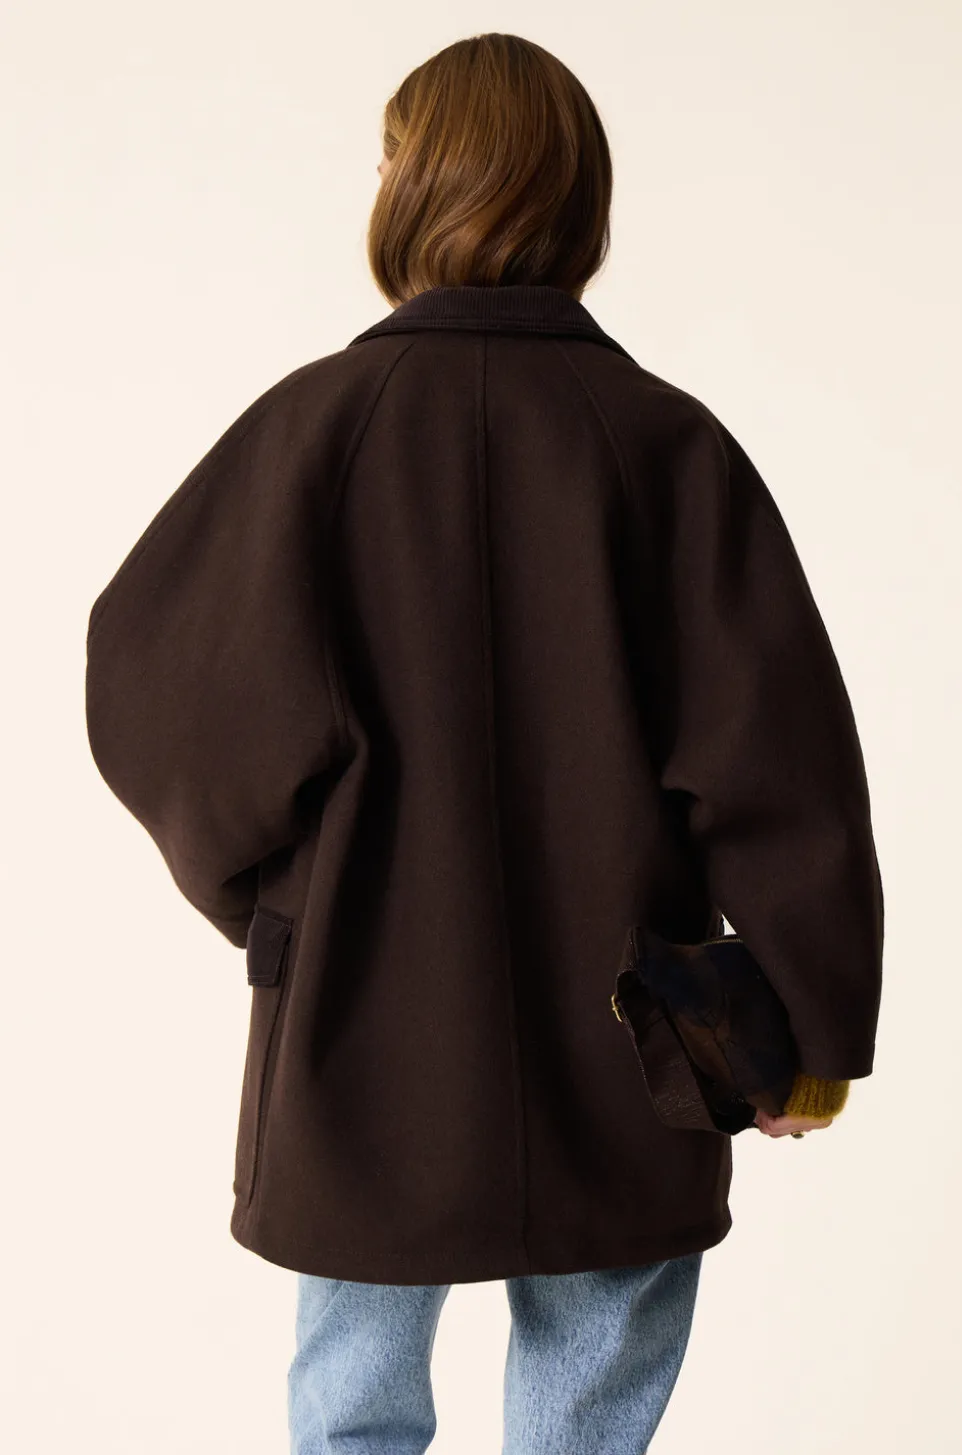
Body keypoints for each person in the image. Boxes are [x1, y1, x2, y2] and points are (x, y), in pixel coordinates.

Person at [84, 31, 883, 1455]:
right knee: (589, 1398)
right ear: (584, 201)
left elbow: (163, 696)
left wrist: (277, 908)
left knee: (352, 1401)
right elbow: (777, 766)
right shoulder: (668, 446)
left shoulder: (311, 433)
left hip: (362, 1027)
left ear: (408, 186)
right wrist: (803, 1034)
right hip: (628, 1033)